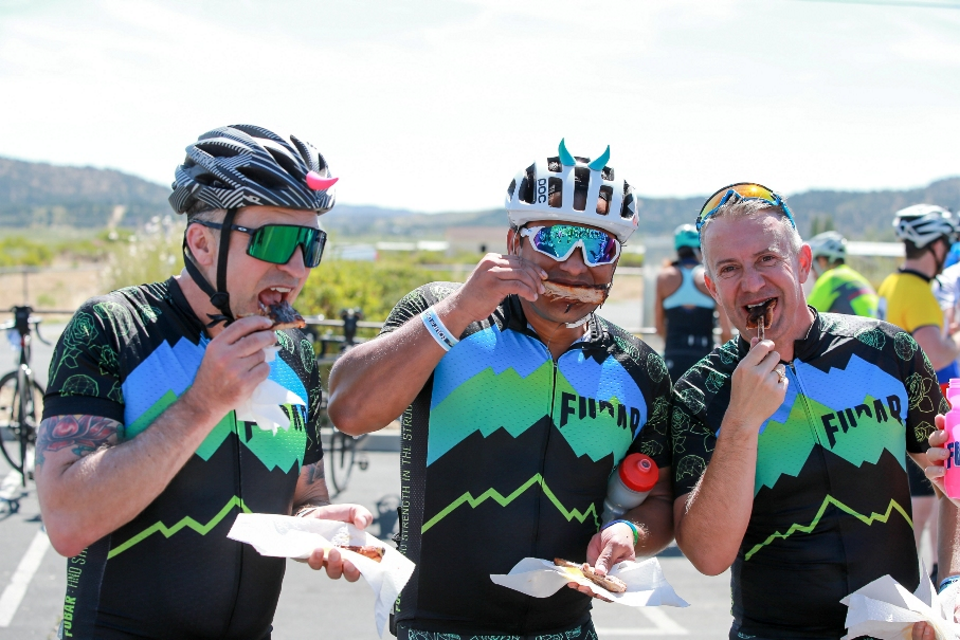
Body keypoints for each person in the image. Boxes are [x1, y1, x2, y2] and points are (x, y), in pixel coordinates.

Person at [35, 124, 373, 640]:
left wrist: (320, 522)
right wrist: (202, 404)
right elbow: (66, 521)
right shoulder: (110, 329)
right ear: (201, 242)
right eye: (277, 240)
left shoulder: (292, 349)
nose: (298, 266)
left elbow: (304, 490)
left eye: (311, 243)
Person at [327, 140, 674, 638]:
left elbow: (659, 499)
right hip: (435, 627)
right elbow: (349, 411)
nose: (574, 266)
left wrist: (630, 533)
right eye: (554, 240)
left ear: (616, 262)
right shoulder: (447, 315)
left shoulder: (640, 369)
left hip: (568, 629)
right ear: (514, 243)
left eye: (598, 247)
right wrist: (457, 310)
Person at [657, 183, 956, 639]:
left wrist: (952, 581)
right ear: (713, 287)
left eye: (767, 259)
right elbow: (708, 556)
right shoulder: (701, 391)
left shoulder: (887, 350)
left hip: (900, 630)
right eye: (731, 268)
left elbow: (953, 479)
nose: (752, 282)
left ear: (801, 263)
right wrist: (740, 423)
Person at [877, 204, 960, 585]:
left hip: (895, 407)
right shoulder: (919, 290)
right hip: (923, 414)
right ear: (936, 245)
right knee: (930, 511)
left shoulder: (893, 283)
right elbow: (937, 351)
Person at [655, 223, 732, 380]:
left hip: (673, 357)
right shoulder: (709, 278)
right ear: (699, 248)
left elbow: (658, 327)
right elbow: (725, 331)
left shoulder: (664, 277)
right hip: (704, 359)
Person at [806, 230, 878, 317]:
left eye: (812, 265)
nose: (812, 272)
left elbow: (806, 316)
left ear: (822, 260)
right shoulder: (858, 278)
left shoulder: (831, 278)